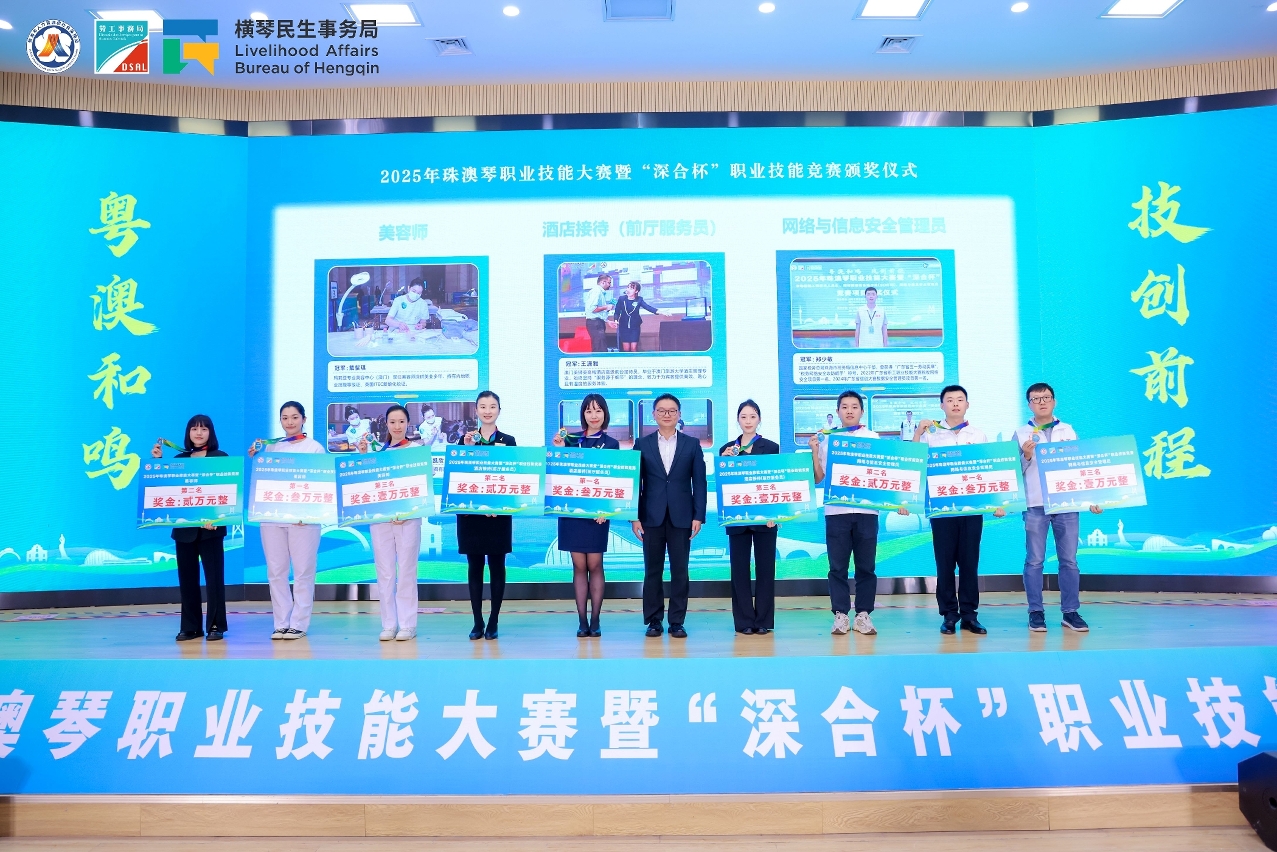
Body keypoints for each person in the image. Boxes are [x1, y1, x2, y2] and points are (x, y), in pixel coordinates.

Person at [809, 390, 908, 636]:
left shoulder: (872, 438)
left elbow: (885, 473)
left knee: (866, 566)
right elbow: (818, 478)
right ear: (837, 411)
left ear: (862, 411)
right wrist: (814, 450)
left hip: (867, 512)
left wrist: (899, 500)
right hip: (836, 511)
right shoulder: (827, 439)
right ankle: (841, 615)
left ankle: (863, 615)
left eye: (854, 406)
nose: (850, 410)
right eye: (844, 406)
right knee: (837, 567)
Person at [912, 385, 1005, 636]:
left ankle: (969, 615)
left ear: (967, 405)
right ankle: (949, 615)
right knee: (944, 564)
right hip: (942, 509)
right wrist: (918, 432)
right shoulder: (931, 434)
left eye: (960, 399)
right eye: (950, 400)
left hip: (972, 509)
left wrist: (998, 502)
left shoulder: (978, 435)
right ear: (941, 405)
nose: (955, 403)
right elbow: (914, 461)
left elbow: (988, 470)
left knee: (969, 563)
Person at [1013, 382, 1102, 633]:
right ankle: (1035, 612)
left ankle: (1070, 612)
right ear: (1029, 404)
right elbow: (1012, 472)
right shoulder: (1021, 433)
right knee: (1034, 561)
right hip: (1035, 504)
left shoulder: (1068, 430)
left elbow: (1080, 467)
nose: (1042, 402)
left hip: (1066, 503)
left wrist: (1093, 499)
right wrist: (1026, 456)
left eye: (1046, 397)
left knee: (1069, 561)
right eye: (1036, 399)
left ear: (1054, 401)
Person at [248, 401, 325, 640]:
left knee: (303, 571)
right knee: (276, 571)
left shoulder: (315, 448)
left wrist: (307, 513)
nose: (290, 422)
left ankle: (299, 623)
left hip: (304, 520)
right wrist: (256, 457)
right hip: (272, 518)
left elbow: (320, 484)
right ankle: (281, 622)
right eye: (285, 417)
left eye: (294, 417)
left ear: (304, 419)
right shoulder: (272, 447)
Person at [633, 393, 707, 638]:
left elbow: (700, 482)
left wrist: (698, 516)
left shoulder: (692, 444)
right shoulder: (642, 444)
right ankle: (654, 620)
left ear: (679, 414)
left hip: (682, 517)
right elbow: (635, 482)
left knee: (680, 571)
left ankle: (677, 621)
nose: (667, 414)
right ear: (653, 414)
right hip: (650, 517)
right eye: (662, 411)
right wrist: (634, 517)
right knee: (652, 570)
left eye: (672, 410)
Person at [152, 415, 229, 643]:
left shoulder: (221, 458)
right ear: (188, 433)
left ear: (210, 433)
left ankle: (215, 625)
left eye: (204, 429)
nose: (199, 433)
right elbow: (165, 491)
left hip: (211, 529)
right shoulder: (179, 460)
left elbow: (229, 493)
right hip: (184, 530)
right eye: (194, 429)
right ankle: (190, 626)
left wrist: (218, 518)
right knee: (187, 580)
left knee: (214, 580)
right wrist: (158, 463)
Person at [552, 394, 620, 637]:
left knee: (595, 564)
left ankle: (596, 620)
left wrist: (606, 510)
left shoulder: (611, 444)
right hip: (572, 513)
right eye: (589, 411)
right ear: (582, 414)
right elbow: (559, 473)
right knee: (578, 566)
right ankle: (582, 621)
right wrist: (559, 450)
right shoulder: (571, 441)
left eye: (598, 410)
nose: (594, 415)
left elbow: (614, 479)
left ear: (605, 414)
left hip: (598, 515)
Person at [358, 405, 421, 641]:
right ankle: (388, 624)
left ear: (408, 424)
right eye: (392, 422)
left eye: (401, 422)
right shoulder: (377, 451)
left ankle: (408, 625)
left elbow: (420, 487)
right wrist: (363, 456)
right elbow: (366, 483)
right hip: (381, 519)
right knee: (384, 572)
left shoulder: (416, 451)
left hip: (408, 520)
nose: (397, 426)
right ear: (386, 424)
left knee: (406, 571)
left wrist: (408, 511)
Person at [719, 400, 781, 635]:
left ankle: (763, 620)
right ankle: (744, 620)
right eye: (743, 417)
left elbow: (777, 481)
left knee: (766, 569)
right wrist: (724, 461)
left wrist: (775, 514)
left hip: (765, 519)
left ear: (759, 419)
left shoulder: (771, 447)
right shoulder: (727, 449)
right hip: (737, 519)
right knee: (739, 571)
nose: (748, 421)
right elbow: (724, 484)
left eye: (752, 416)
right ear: (738, 419)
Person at [459, 390, 516, 640]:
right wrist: (467, 449)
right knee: (474, 566)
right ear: (476, 411)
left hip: (498, 516)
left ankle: (493, 620)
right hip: (471, 516)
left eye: (492, 406)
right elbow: (459, 476)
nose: (487, 411)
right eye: (483, 406)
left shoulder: (509, 441)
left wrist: (499, 505)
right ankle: (477, 621)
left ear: (499, 410)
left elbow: (513, 477)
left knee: (497, 566)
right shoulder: (465, 440)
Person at [613, 280, 663, 353]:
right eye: (628, 287)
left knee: (633, 348)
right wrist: (616, 320)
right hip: (624, 326)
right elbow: (617, 312)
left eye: (631, 288)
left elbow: (648, 307)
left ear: (636, 291)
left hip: (635, 327)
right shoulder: (621, 299)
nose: (628, 290)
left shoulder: (639, 300)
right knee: (626, 349)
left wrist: (660, 311)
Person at [582, 272, 617, 352]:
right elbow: (592, 309)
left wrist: (607, 321)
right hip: (595, 324)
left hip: (597, 323)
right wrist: (606, 307)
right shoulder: (596, 291)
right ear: (603, 282)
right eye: (609, 282)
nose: (610, 285)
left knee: (599, 347)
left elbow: (598, 313)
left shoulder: (600, 292)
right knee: (600, 349)